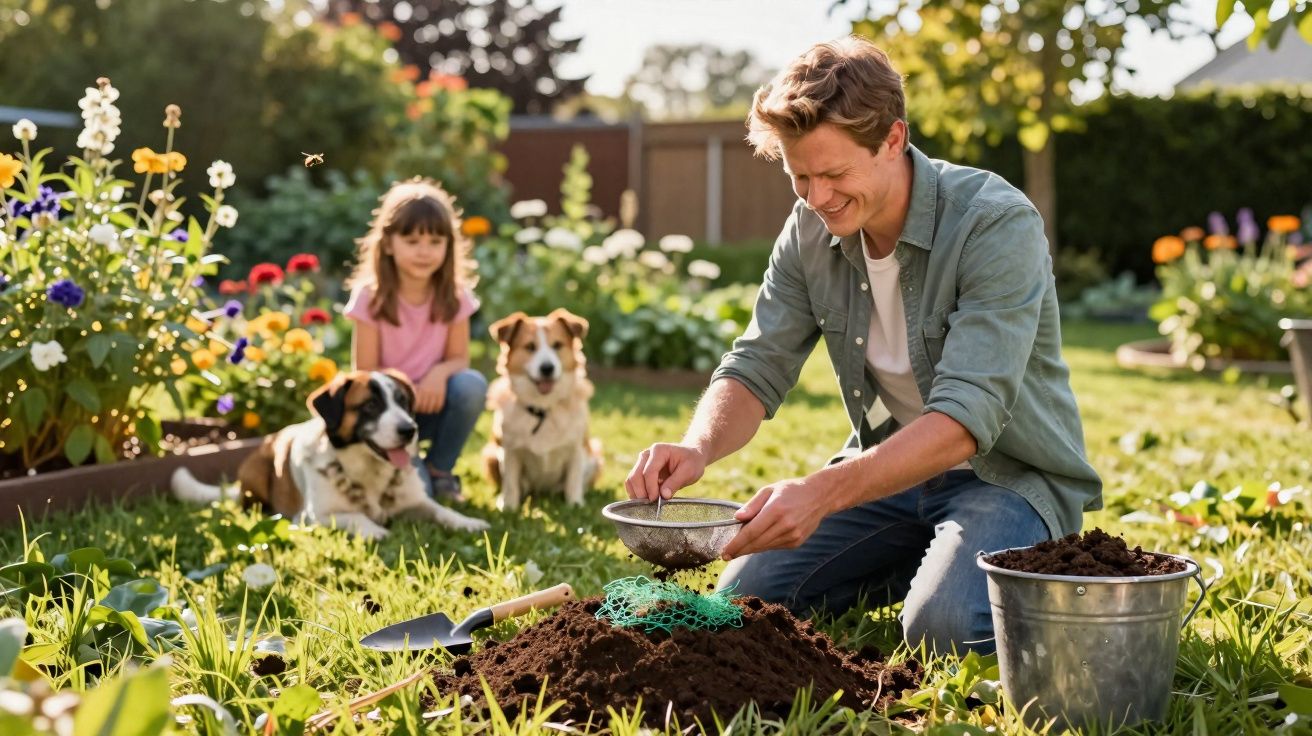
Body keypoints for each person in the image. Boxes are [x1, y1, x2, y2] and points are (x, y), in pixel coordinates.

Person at [624, 36, 1102, 654]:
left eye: (834, 174)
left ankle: (1037, 570)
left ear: (893, 140)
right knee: (745, 602)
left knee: (945, 629)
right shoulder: (808, 229)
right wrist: (697, 447)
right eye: (801, 178)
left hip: (1006, 479)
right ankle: (934, 560)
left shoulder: (993, 222)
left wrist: (820, 494)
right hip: (886, 475)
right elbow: (759, 362)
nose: (817, 198)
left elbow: (965, 419)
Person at [346, 177, 487, 501]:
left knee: (471, 385)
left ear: (449, 246)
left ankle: (441, 470)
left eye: (435, 241)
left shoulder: (454, 296)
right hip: (388, 411)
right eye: (412, 241)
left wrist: (438, 375)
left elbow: (459, 359)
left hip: (435, 403)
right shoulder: (370, 297)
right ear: (389, 244)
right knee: (415, 495)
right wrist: (407, 388)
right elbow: (364, 371)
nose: (424, 252)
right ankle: (411, 469)